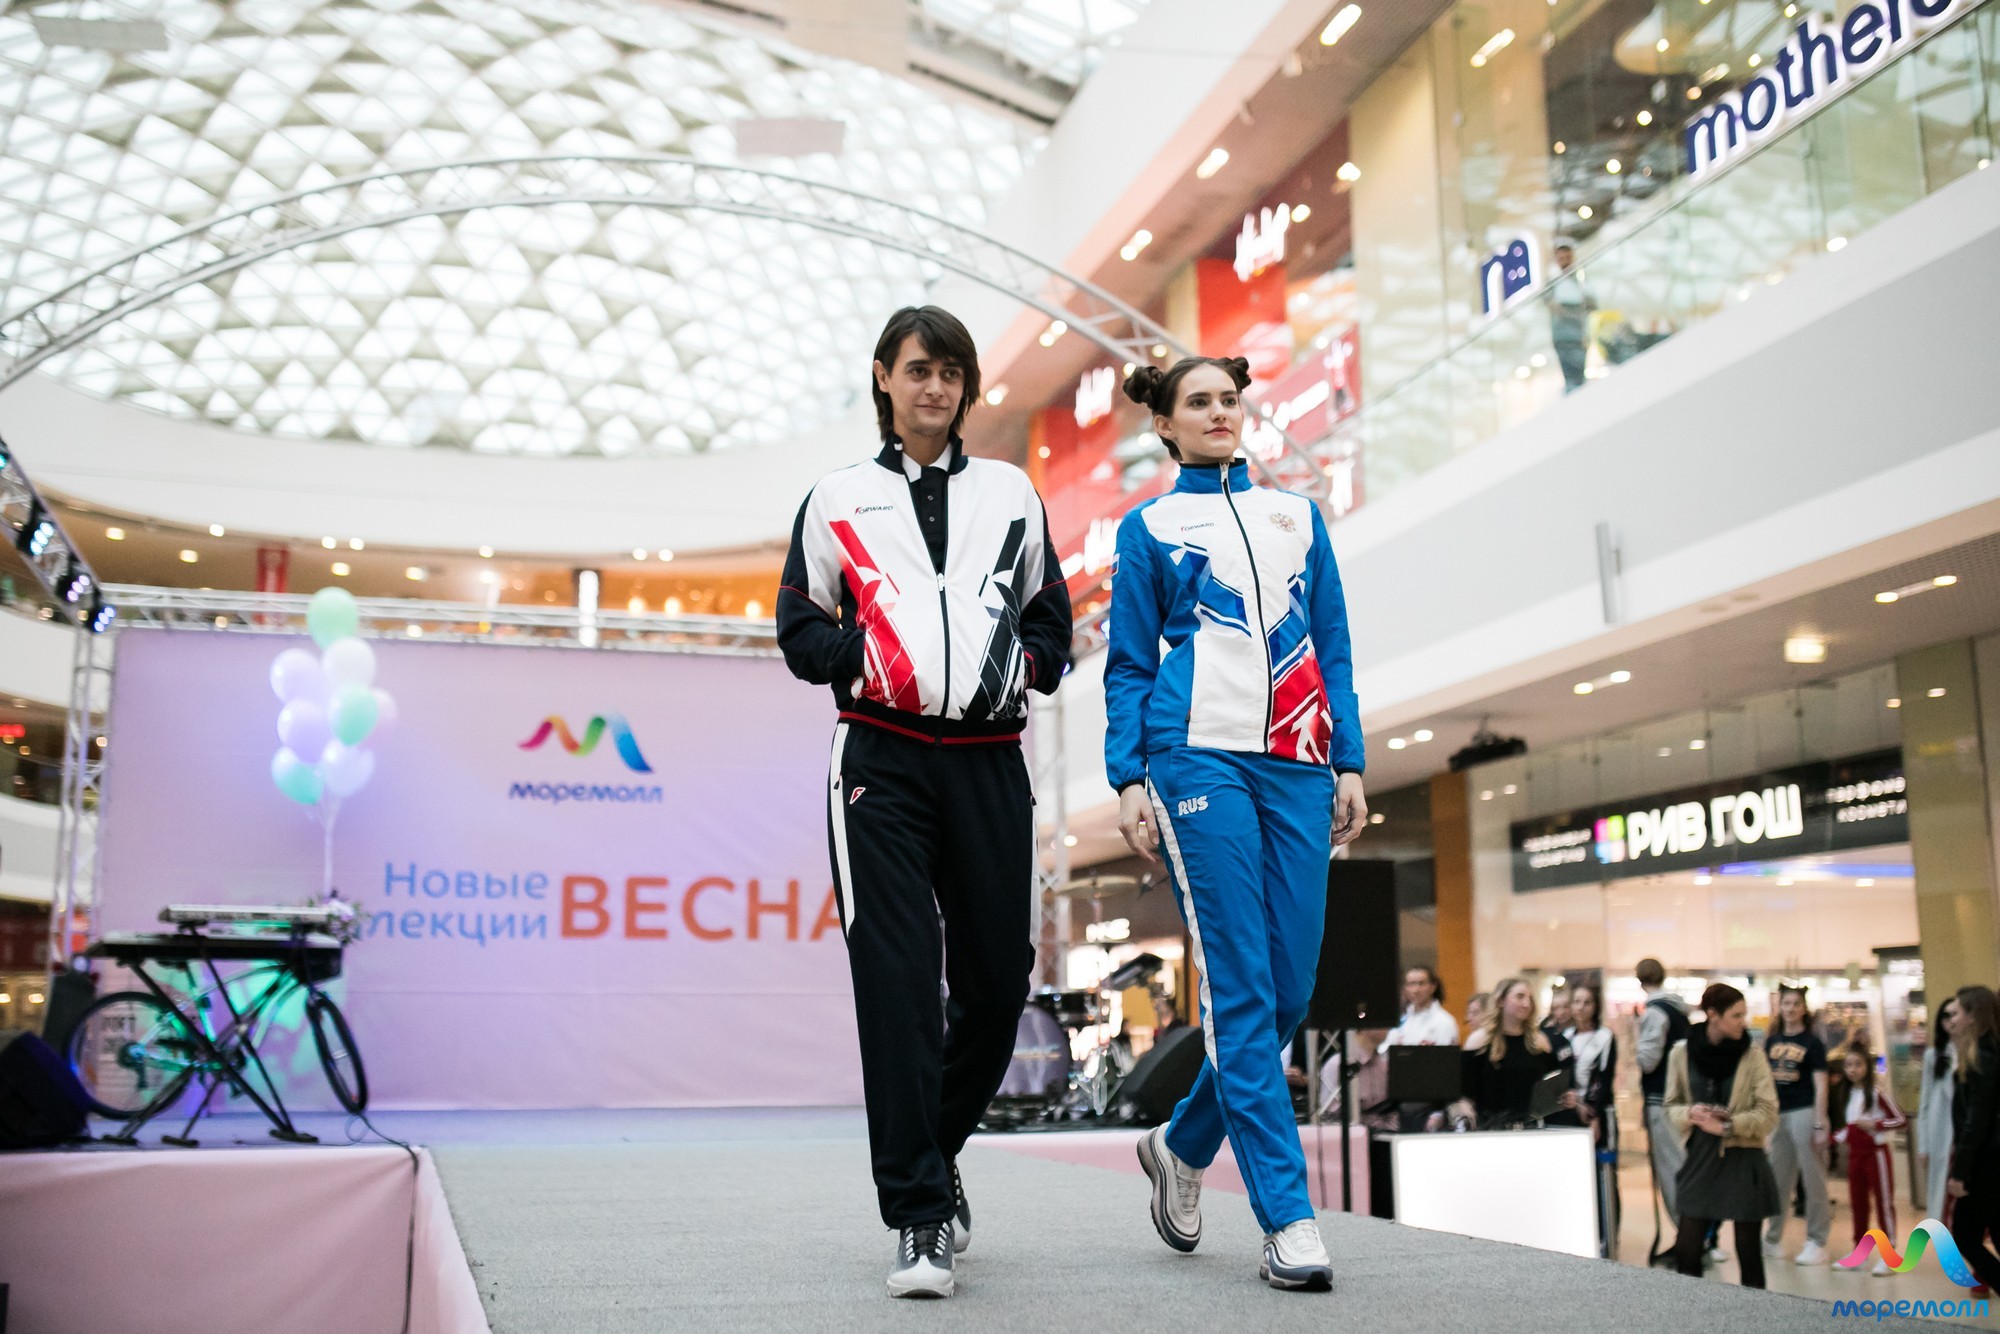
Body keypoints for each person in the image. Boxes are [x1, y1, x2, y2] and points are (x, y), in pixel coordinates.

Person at [776, 305, 1072, 1299]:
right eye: (917, 369)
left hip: (989, 759)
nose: (935, 386)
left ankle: (933, 1154)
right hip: (881, 761)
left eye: (950, 372)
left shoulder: (1011, 493)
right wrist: (861, 655)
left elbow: (1051, 615)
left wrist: (1026, 665)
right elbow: (797, 624)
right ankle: (916, 1214)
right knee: (898, 987)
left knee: (996, 988)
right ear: (883, 377)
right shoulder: (838, 498)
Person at [1105, 355, 1368, 1293]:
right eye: (1199, 402)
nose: (1220, 412)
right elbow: (1130, 663)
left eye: (1229, 399)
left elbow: (1332, 642)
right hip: (1195, 759)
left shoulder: (1297, 516)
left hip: (1298, 759)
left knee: (1289, 989)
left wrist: (1348, 758)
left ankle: (1182, 1144)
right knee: (1244, 991)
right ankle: (1288, 1219)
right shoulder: (1148, 528)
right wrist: (1129, 776)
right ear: (1166, 425)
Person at [1664, 982, 1780, 1289]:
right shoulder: (1681, 1053)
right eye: (1736, 1015)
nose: (1743, 1022)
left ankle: (1755, 1312)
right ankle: (1694, 1310)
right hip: (1701, 1156)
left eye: (1744, 1014)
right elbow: (1671, 1106)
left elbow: (1769, 1113)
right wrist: (1691, 1113)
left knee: (1748, 1250)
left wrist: (1730, 1125)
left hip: (1744, 1156)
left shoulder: (1753, 1056)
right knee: (1687, 1247)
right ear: (1713, 1015)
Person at [1761, 985, 1832, 1266]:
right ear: (1779, 1007)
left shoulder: (1813, 1043)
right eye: (1786, 1003)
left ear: (1804, 1008)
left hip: (1805, 1111)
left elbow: (1821, 1084)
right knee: (1778, 1178)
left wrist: (1820, 1120)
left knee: (1813, 1178)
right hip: (1778, 1113)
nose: (1790, 1008)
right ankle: (1772, 1237)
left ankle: (1817, 1240)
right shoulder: (1771, 1041)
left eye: (1795, 1003)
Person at [1449, 978, 1577, 1128]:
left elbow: (1552, 1087)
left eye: (1530, 998)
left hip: (1531, 1127)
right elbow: (1463, 1092)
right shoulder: (1479, 1041)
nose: (1526, 1004)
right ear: (1501, 1001)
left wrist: (1565, 1097)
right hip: (1490, 1127)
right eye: (1520, 997)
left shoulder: (1539, 1042)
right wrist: (1463, 1109)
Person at [1830, 1041, 1907, 1275]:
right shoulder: (1847, 1094)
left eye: (1858, 1064)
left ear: (1867, 1066)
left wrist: (1876, 1124)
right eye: (1848, 1065)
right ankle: (1859, 1253)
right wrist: (1831, 1139)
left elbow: (1900, 1120)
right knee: (1858, 1204)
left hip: (1876, 1154)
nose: (1852, 1069)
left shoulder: (1876, 1093)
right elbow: (1851, 1127)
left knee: (1883, 1203)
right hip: (1855, 1156)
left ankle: (1890, 1255)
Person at [1635, 957, 1691, 1262]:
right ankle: (1693, 1235)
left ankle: (1689, 1237)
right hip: (1680, 1098)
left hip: (1661, 1098)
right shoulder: (1678, 1009)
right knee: (1681, 1166)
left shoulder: (1655, 1011)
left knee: (1671, 1171)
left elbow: (1647, 1060)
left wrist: (1636, 1040)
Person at [1948, 985, 2000, 1293]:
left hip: (1985, 1161)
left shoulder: (1983, 1056)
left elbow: (1976, 1122)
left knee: (1965, 1236)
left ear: (1972, 1016)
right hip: (1988, 1158)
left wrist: (1960, 1172)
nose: (1951, 1019)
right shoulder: (1982, 1051)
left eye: (1956, 1013)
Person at [1567, 983, 1620, 1254]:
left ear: (1595, 1006)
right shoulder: (1565, 1037)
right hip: (1572, 1113)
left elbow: (1605, 1078)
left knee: (1605, 1175)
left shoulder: (1605, 1037)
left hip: (1599, 1114)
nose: (1580, 1007)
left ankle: (1609, 1235)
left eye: (1586, 1002)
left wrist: (1594, 1114)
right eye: (1576, 1001)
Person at [1917, 996, 1962, 1224]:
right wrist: (1923, 1145)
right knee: (1942, 1196)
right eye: (1945, 1016)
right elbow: (1924, 1103)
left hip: (1966, 1133)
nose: (1950, 1021)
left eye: (1954, 1014)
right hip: (1941, 1130)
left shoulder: (1975, 1052)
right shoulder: (1932, 1056)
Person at [1547, 241, 1596, 392]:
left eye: (1567, 257)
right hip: (1563, 334)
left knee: (1579, 371)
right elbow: (1550, 304)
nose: (1565, 262)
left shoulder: (1581, 279)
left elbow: (1591, 304)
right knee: (1570, 373)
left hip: (1579, 332)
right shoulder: (1553, 282)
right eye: (1561, 258)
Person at [1384, 966, 1459, 1049]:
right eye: (1411, 984)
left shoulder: (1444, 1022)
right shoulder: (1403, 1020)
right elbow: (1387, 1049)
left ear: (1433, 987)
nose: (1416, 990)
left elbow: (1447, 1055)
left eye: (1421, 983)